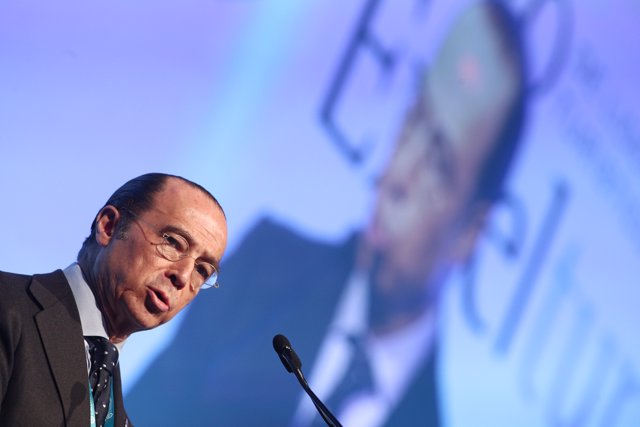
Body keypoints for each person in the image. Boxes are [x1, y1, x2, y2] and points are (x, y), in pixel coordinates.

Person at [127, 1, 527, 425]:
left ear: (471, 232)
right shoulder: (267, 265)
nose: (397, 177)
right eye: (413, 121)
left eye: (437, 166)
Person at [0, 173, 228, 427]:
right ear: (109, 227)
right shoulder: (7, 305)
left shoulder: (118, 417)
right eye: (173, 242)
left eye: (202, 270)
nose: (183, 276)